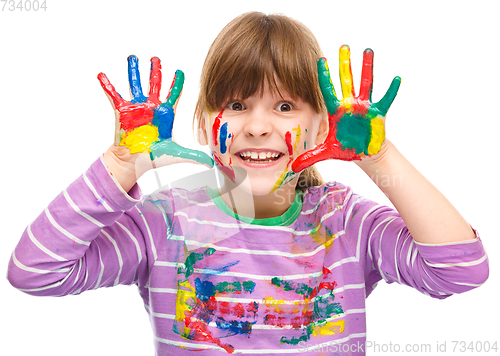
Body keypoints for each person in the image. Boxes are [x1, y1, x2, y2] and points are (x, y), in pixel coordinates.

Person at [7, 11, 488, 355]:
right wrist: (123, 162)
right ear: (202, 121)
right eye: (237, 105)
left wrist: (379, 155)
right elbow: (36, 273)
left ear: (323, 126)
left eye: (284, 107)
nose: (257, 127)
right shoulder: (164, 223)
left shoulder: (345, 222)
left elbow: (461, 270)